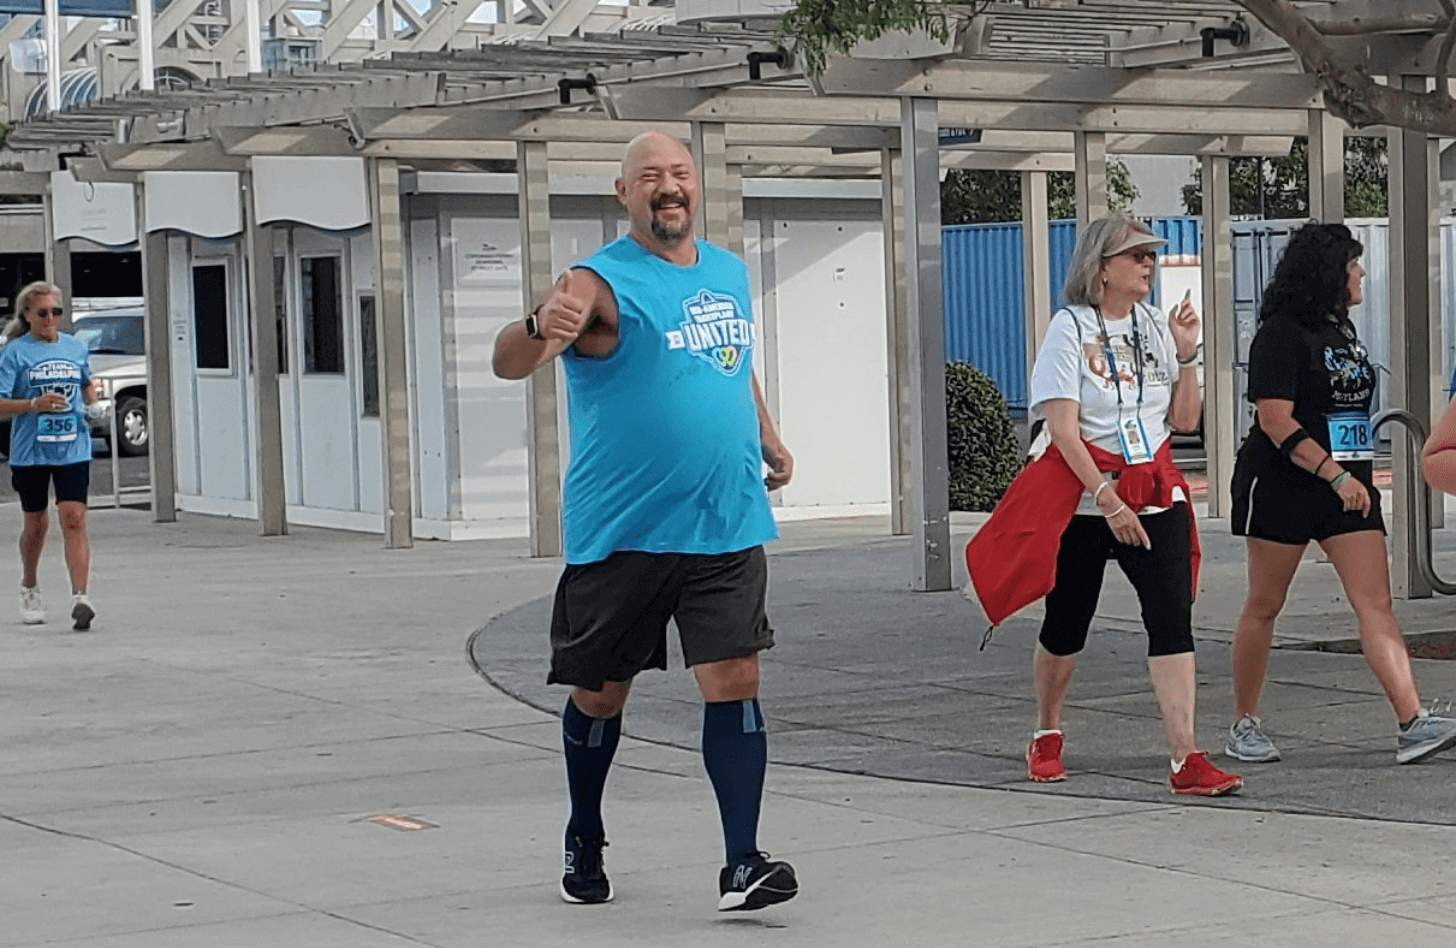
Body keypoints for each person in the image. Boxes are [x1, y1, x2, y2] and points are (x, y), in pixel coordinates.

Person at [491, 132, 798, 912]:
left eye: (681, 175)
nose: (669, 188)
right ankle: (585, 832)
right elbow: (508, 359)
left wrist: (764, 431)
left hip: (724, 518)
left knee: (735, 678)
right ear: (624, 194)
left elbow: (732, 357)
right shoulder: (597, 280)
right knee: (600, 694)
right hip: (623, 530)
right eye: (651, 177)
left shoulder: (727, 273)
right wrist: (540, 322)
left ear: (698, 190)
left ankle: (741, 863)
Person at [967, 214, 1242, 797]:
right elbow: (1062, 429)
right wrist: (1104, 496)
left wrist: (1187, 356)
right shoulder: (1069, 328)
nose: (1148, 264)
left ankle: (1185, 757)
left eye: (1150, 255)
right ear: (1102, 268)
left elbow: (1184, 422)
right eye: (1136, 255)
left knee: (1172, 618)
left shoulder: (1152, 325)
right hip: (1088, 499)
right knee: (1067, 622)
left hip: (1151, 492)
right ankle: (1046, 730)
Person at [1227, 222, 1456, 765]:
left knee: (1374, 603)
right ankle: (1244, 721)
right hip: (1286, 482)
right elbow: (1275, 420)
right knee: (1265, 603)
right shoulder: (1280, 333)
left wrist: (1351, 478)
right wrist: (1333, 473)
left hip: (1349, 487)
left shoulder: (1343, 332)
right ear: (1329, 273)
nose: (1361, 275)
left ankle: (1412, 721)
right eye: (1354, 266)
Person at [0, 281, 101, 631]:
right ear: (27, 315)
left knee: (73, 517)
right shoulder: (14, 353)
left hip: (73, 446)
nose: (50, 319)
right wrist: (33, 404)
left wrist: (94, 402)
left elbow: (85, 382)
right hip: (31, 451)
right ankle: (29, 584)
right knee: (37, 524)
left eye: (56, 312)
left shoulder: (75, 347)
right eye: (42, 313)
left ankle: (80, 597)